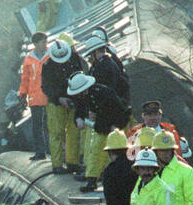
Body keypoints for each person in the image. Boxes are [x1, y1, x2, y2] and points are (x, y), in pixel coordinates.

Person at [66, 71, 129, 192]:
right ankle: (92, 180)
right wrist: (78, 119)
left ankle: (117, 180)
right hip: (101, 126)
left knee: (117, 154)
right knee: (95, 151)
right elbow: (79, 111)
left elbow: (118, 111)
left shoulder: (103, 93)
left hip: (115, 125)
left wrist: (112, 126)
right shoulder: (82, 97)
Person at [42, 38, 84, 175]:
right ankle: (57, 164)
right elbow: (46, 87)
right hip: (56, 103)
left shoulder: (75, 59)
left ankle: (73, 162)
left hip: (73, 100)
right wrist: (59, 98)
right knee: (56, 133)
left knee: (73, 131)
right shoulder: (48, 65)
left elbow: (80, 77)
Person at [17, 32, 49, 160]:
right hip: (35, 97)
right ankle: (40, 152)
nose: (45, 45)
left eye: (46, 42)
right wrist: (22, 94)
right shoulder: (29, 59)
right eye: (43, 42)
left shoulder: (50, 55)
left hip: (49, 96)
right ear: (35, 44)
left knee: (51, 125)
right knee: (37, 126)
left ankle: (53, 152)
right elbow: (25, 78)